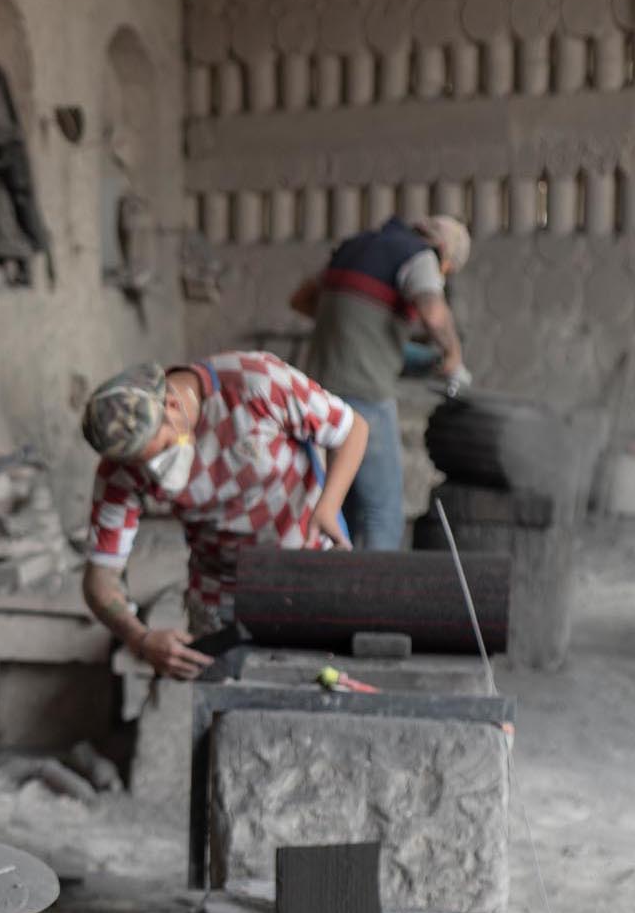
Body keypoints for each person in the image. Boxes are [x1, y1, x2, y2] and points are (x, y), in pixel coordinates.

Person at [77, 353, 368, 683]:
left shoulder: (255, 383)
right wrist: (140, 639)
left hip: (306, 563)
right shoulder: (121, 471)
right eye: (143, 464)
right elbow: (99, 579)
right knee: (224, 701)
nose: (156, 469)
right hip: (221, 589)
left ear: (171, 405)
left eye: (163, 448)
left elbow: (351, 428)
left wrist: (328, 505)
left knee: (322, 685)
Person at [290, 213, 473, 552]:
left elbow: (301, 300)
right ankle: (377, 600)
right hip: (365, 397)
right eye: (445, 272)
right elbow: (434, 314)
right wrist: (453, 356)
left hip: (316, 395)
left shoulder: (352, 247)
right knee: (381, 513)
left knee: (337, 507)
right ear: (443, 253)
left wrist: (376, 342)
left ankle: (335, 594)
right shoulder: (418, 256)